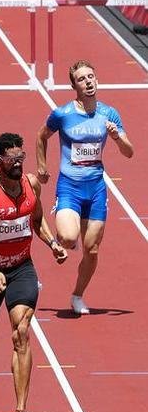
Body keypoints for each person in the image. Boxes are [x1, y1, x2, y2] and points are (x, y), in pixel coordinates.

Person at [0, 133, 68, 412]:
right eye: (11, 159)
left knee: (21, 331)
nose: (17, 163)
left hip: (22, 268)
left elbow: (36, 221)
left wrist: (52, 243)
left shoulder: (31, 185)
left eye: (21, 158)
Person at [35, 60, 134, 315]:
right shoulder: (62, 114)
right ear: (74, 86)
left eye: (91, 76)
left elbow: (129, 152)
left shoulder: (109, 114)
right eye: (82, 78)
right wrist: (43, 166)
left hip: (96, 189)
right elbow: (41, 136)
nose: (89, 81)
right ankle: (69, 233)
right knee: (68, 238)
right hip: (69, 186)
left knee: (92, 249)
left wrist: (117, 137)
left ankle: (77, 295)